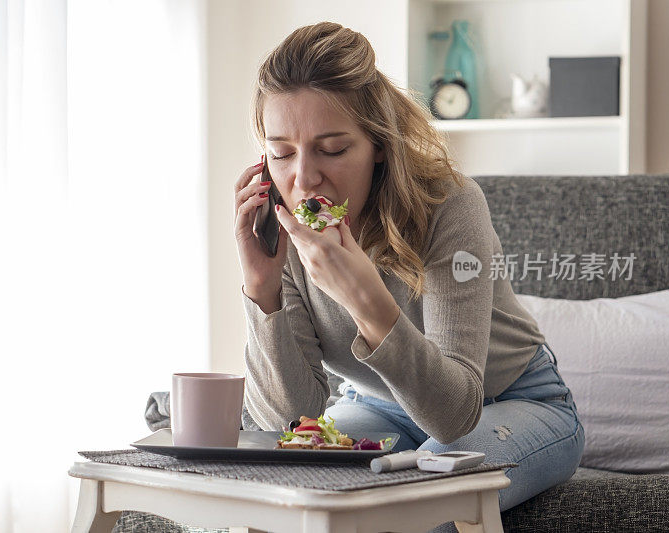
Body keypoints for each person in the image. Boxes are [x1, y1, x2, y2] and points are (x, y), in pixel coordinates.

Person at [233, 21, 584, 527]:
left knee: (427, 502)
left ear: (376, 143)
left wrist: (365, 299)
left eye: (332, 149)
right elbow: (290, 423)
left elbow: (453, 415)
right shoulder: (282, 230)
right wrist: (261, 291)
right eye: (282, 153)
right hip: (376, 403)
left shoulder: (449, 206)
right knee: (306, 488)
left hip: (512, 402)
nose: (304, 177)